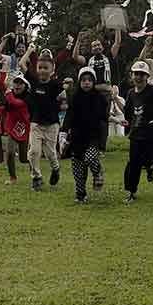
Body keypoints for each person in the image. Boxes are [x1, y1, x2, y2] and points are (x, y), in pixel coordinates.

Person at [122, 61, 153, 203]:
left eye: (142, 75)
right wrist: (126, 124)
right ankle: (131, 191)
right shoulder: (130, 93)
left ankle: (150, 167)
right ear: (132, 76)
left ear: (147, 76)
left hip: (151, 133)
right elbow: (128, 112)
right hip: (136, 133)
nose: (139, 77)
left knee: (148, 159)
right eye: (136, 74)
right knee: (133, 162)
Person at [63, 67, 108, 203]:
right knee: (78, 167)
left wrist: (102, 143)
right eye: (83, 80)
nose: (86, 83)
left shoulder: (100, 98)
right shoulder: (75, 97)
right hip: (76, 137)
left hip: (94, 136)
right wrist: (64, 132)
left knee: (90, 157)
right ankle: (81, 194)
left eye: (89, 80)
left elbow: (104, 120)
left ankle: (97, 172)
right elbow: (69, 115)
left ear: (93, 82)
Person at [24, 50, 65, 190]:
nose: (42, 70)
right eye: (40, 67)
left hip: (52, 124)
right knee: (34, 151)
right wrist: (29, 51)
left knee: (50, 153)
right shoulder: (33, 81)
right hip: (36, 123)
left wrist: (61, 103)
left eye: (46, 68)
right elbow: (21, 64)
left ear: (52, 70)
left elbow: (64, 101)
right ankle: (36, 177)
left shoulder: (56, 85)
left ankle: (55, 168)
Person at [2, 73, 31, 186]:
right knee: (10, 152)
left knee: (24, 158)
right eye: (15, 82)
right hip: (11, 127)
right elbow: (5, 108)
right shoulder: (9, 95)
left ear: (25, 85)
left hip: (24, 128)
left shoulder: (28, 97)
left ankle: (35, 174)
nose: (17, 85)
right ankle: (12, 177)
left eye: (20, 83)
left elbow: (17, 103)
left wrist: (8, 93)